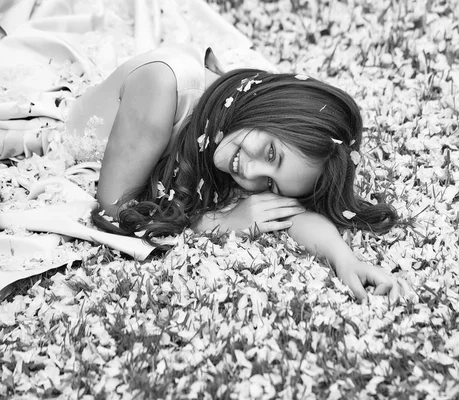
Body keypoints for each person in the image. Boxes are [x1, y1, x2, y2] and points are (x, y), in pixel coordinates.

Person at [0, 2, 406, 303]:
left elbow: (292, 215)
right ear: (271, 109)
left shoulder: (240, 135)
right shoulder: (163, 87)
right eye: (269, 153)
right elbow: (114, 207)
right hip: (51, 117)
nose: (248, 175)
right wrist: (220, 221)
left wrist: (344, 259)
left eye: (268, 183)